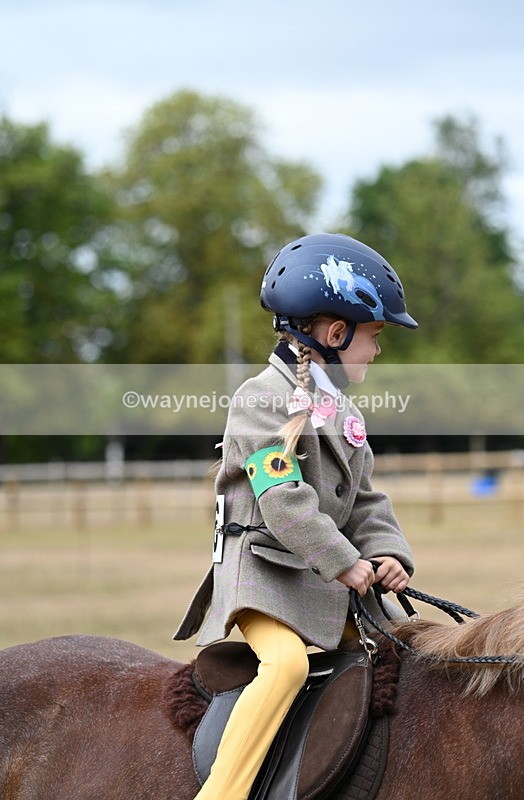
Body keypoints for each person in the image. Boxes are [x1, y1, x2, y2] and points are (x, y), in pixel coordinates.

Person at [174, 232, 418, 800]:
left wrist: (385, 554)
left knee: (411, 653)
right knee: (283, 666)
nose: (376, 351)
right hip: (265, 577)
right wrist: (344, 562)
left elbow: (365, 500)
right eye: (374, 337)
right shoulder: (259, 399)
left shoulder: (343, 409)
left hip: (329, 579)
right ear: (336, 334)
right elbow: (283, 499)